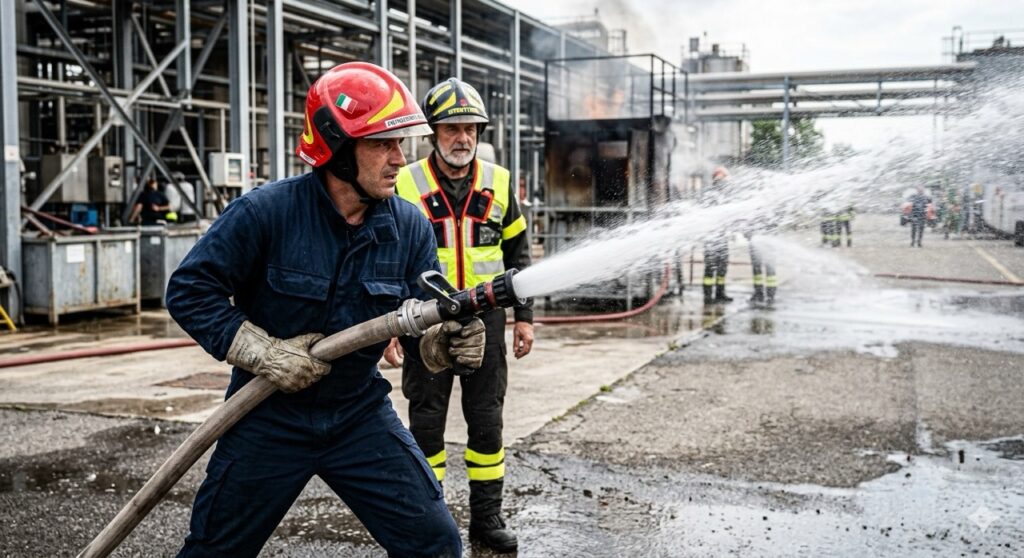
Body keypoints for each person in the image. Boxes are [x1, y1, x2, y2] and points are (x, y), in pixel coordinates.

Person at [165, 62, 481, 557]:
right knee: (214, 551)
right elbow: (189, 290)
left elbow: (420, 322)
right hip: (266, 414)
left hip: (359, 414)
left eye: (401, 143)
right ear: (336, 147)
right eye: (383, 143)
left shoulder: (410, 227)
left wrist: (446, 344)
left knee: (435, 544)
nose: (400, 159)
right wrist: (263, 352)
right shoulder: (265, 213)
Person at [387, 77, 534, 553]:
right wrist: (386, 325)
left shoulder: (500, 181)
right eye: (452, 128)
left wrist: (524, 317)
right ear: (433, 132)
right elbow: (383, 257)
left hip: (487, 318)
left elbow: (519, 252)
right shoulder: (405, 182)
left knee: (486, 420)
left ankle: (486, 519)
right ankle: (431, 520)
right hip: (423, 320)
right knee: (426, 424)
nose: (463, 137)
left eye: (471, 127)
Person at [702, 166, 732, 304]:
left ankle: (720, 293)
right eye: (724, 178)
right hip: (711, 238)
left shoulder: (725, 195)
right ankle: (708, 296)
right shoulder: (710, 194)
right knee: (710, 267)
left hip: (722, 237)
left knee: (722, 267)